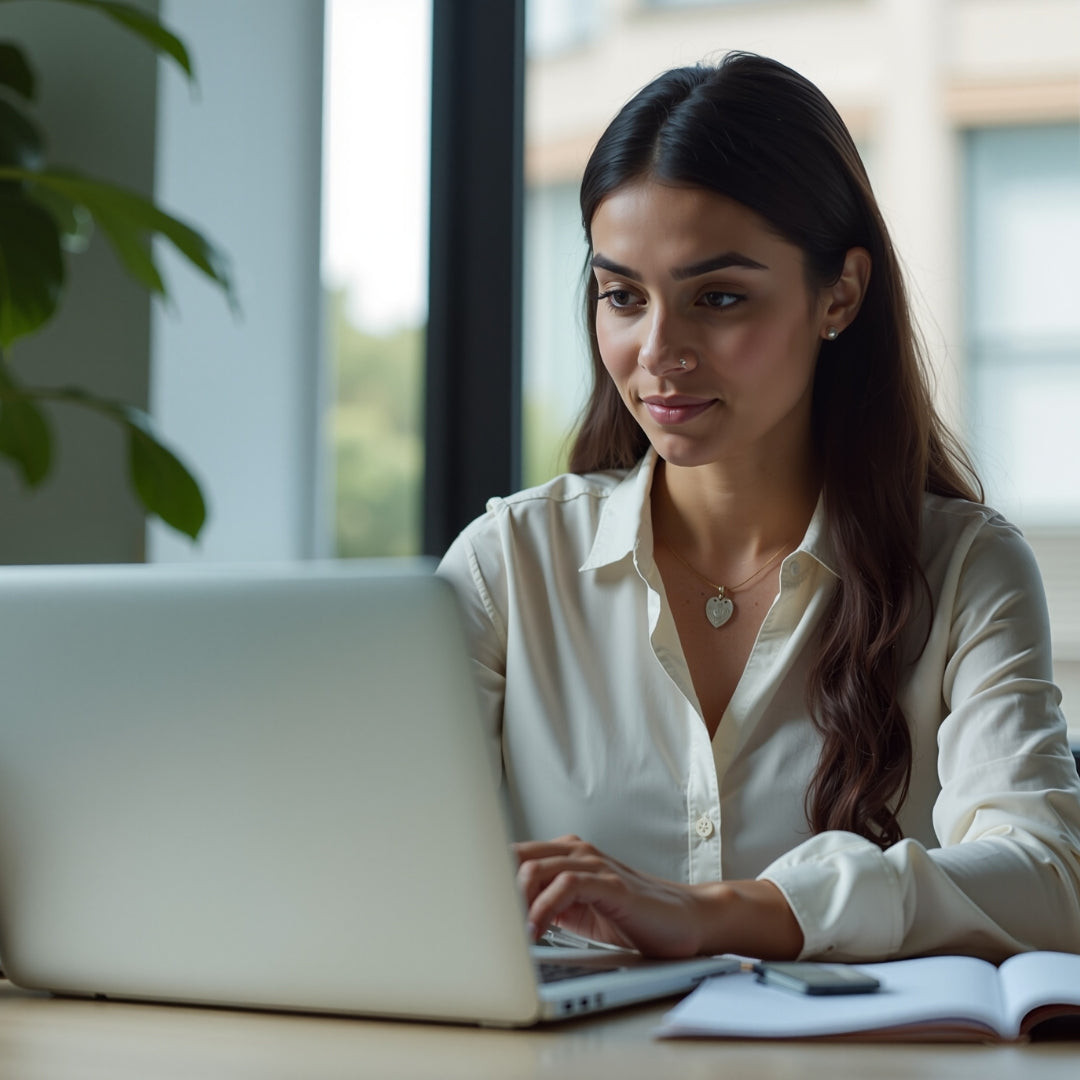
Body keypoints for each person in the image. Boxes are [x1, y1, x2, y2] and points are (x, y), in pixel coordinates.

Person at [437, 52, 1080, 963]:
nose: (658, 351)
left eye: (720, 298)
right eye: (623, 296)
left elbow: (1050, 880)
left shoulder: (966, 570)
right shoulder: (507, 568)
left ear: (840, 295)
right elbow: (388, 865)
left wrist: (729, 913)